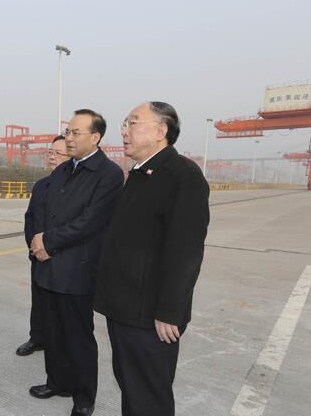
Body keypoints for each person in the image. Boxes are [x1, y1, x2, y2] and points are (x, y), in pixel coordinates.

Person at [95, 102, 210, 416]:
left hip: (150, 317)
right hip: (125, 307)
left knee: (148, 397)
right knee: (132, 388)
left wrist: (170, 312)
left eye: (133, 123)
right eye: (125, 123)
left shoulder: (182, 176)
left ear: (161, 131)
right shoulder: (140, 173)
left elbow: (186, 250)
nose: (124, 130)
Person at [29, 109, 124, 416]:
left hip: (77, 270)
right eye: (67, 132)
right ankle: (57, 381)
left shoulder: (109, 175)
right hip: (47, 266)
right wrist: (38, 241)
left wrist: (48, 242)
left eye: (75, 133)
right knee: (53, 332)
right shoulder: (62, 171)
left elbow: (90, 222)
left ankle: (84, 397)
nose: (68, 138)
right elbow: (43, 211)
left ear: (95, 137)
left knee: (77, 337)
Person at [15, 135, 70, 356]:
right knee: (38, 300)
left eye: (59, 153)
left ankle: (61, 342)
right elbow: (30, 217)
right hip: (37, 255)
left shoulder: (76, 187)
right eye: (50, 152)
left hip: (61, 256)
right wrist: (33, 245)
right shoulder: (41, 185)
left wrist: (50, 247)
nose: (52, 156)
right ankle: (37, 337)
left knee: (62, 306)